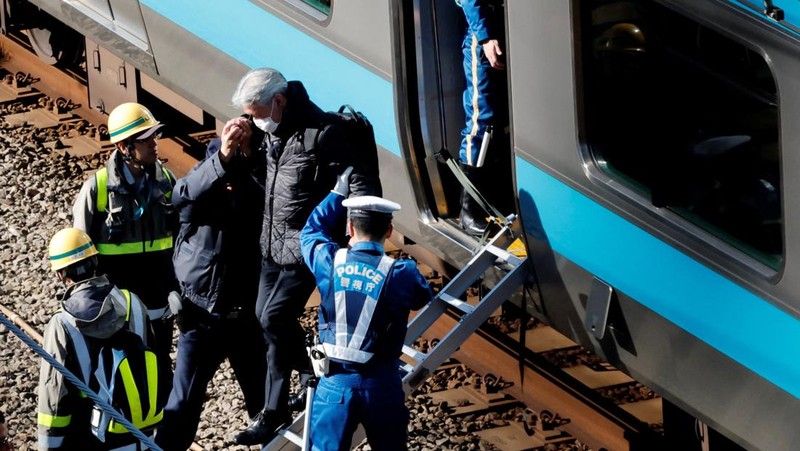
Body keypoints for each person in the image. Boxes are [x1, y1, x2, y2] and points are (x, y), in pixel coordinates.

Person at [230, 68, 378, 445]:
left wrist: (359, 225)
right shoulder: (271, 134)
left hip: (306, 246)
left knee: (273, 317)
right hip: (271, 245)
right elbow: (271, 185)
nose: (255, 121)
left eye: (258, 112)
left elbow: (358, 175)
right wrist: (245, 152)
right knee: (267, 324)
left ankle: (299, 383)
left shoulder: (323, 133)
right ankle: (278, 406)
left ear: (279, 101)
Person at [299, 168, 434, 450]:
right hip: (381, 386)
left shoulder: (329, 261)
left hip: (334, 385)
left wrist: (337, 192)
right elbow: (423, 297)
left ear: (350, 229)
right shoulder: (401, 272)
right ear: (389, 231)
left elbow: (311, 231)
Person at [154, 130, 268, 450]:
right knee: (182, 406)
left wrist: (248, 160)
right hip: (201, 315)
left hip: (245, 317)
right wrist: (222, 160)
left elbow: (272, 193)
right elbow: (183, 194)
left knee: (266, 406)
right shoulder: (198, 197)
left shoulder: (254, 193)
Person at [38, 228, 163, 450]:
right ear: (95, 261)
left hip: (92, 438)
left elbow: (55, 398)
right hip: (141, 436)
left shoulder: (62, 323)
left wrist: (48, 446)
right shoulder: (133, 303)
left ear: (60, 274)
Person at [72, 102, 178, 363]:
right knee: (119, 367)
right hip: (116, 304)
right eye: (145, 139)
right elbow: (80, 254)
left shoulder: (167, 181)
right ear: (123, 147)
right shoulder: (97, 188)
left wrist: (177, 289)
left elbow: (182, 237)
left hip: (158, 300)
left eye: (154, 136)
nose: (154, 143)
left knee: (159, 366)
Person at [456, 0, 508, 235]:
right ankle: (468, 210)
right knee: (481, 120)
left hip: (508, 29)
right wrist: (486, 38)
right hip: (482, 39)